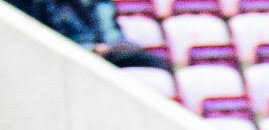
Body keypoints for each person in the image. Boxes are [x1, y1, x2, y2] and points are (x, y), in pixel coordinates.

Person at [21, 0, 163, 67]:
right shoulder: (45, 5)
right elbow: (47, 38)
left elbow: (111, 31)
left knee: (153, 61)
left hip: (109, 50)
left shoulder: (100, 3)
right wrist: (90, 48)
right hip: (72, 54)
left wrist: (111, 45)